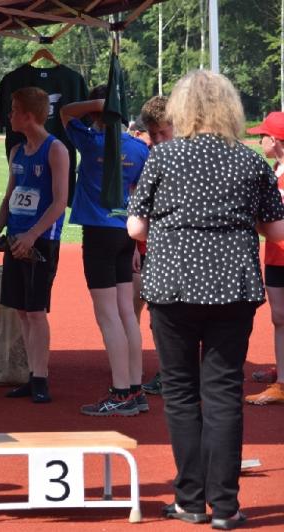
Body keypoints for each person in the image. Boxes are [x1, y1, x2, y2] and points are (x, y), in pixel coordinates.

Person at [127, 70, 284, 529]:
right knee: (224, 391)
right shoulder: (250, 161)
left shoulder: (163, 156)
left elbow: (136, 227)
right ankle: (226, 506)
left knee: (180, 392)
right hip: (232, 286)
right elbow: (276, 229)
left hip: (172, 284)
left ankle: (190, 500)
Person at [60, 86, 149, 416]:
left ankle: (120, 391)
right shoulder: (139, 148)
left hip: (98, 233)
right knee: (126, 313)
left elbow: (65, 112)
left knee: (108, 315)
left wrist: (97, 105)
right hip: (125, 232)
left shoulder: (91, 140)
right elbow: (138, 193)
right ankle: (136, 388)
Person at [0, 87, 68, 403]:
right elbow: (10, 196)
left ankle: (41, 378)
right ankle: (32, 376)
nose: (9, 116)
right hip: (15, 240)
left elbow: (60, 202)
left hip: (41, 242)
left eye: (14, 110)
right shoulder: (17, 151)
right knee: (21, 310)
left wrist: (32, 235)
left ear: (28, 116)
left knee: (35, 311)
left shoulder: (56, 150)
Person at [135, 95, 175, 396]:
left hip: (182, 250)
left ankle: (177, 374)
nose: (159, 140)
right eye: (153, 134)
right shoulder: (149, 158)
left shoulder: (190, 157)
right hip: (151, 250)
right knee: (158, 318)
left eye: (164, 132)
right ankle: (169, 372)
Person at [245, 111, 284, 405]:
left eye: (263, 136)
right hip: (275, 254)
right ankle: (282, 374)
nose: (260, 142)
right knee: (279, 316)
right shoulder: (274, 170)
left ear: (276, 139)